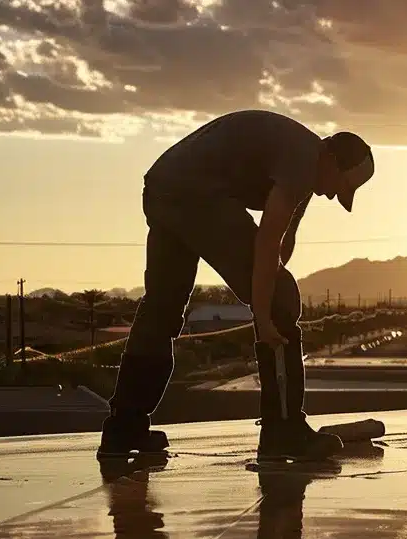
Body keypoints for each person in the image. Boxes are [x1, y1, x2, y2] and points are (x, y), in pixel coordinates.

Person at [99, 110, 375, 462]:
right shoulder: (302, 162)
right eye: (342, 186)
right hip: (196, 195)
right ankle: (284, 430)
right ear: (333, 161)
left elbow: (281, 244)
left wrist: (269, 287)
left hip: (164, 187)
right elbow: (265, 242)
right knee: (282, 299)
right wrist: (266, 312)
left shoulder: (308, 166)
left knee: (162, 308)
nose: (335, 196)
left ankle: (123, 427)